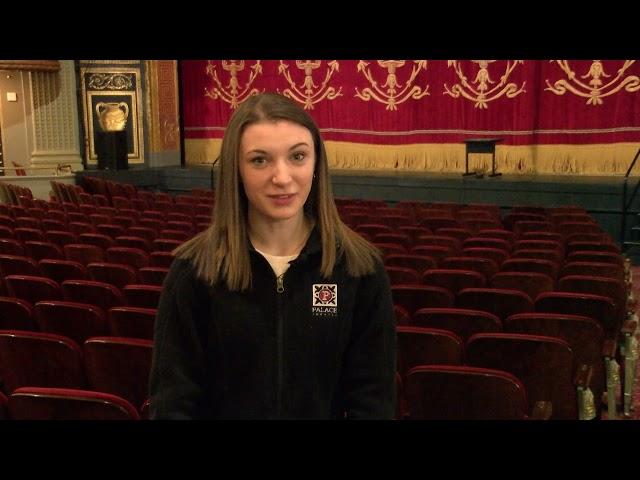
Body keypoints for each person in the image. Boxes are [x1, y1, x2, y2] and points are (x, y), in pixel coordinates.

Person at [148, 92, 396, 419]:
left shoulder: (359, 270)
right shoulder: (193, 273)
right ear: (235, 170)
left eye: (297, 157)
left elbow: (374, 401)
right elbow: (173, 403)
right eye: (260, 160)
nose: (282, 178)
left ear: (317, 164)